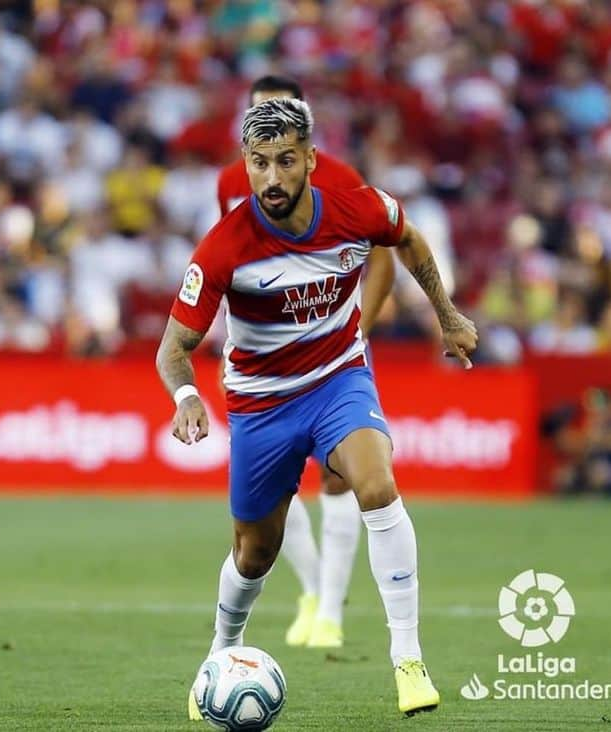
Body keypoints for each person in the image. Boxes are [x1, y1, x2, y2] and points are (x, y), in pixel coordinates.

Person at [158, 98, 476, 717]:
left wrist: (447, 314)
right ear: (244, 166)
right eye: (258, 164)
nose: (271, 178)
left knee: (377, 485)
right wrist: (188, 394)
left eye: (284, 161)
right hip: (260, 405)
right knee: (254, 552)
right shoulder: (224, 247)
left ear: (309, 160)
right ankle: (220, 655)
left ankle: (408, 661)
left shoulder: (357, 207)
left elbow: (406, 236)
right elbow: (174, 348)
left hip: (338, 380)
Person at [218, 75, 397, 651]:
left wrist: (354, 332)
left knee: (345, 477)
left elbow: (386, 256)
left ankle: (330, 613)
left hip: (333, 359)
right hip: (264, 369)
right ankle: (314, 591)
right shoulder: (228, 183)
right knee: (273, 498)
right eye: (256, 124)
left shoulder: (339, 180)